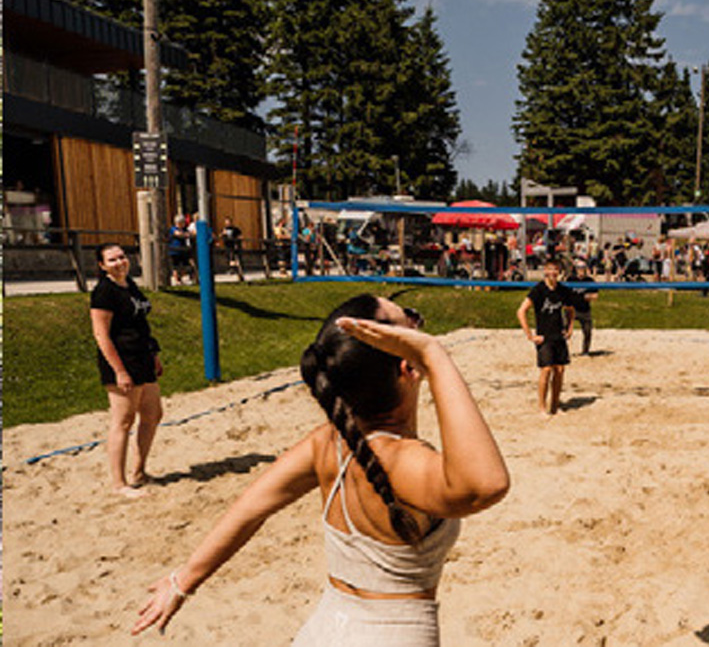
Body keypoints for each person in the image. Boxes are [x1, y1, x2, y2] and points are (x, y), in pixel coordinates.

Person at [132, 295, 510, 643]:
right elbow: (487, 483)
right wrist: (435, 355)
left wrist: (182, 581)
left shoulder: (328, 443)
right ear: (406, 365)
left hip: (324, 628)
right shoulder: (403, 460)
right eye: (410, 322)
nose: (419, 329)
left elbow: (250, 507)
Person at [90, 243, 164, 498]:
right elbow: (101, 335)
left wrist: (153, 354)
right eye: (112, 260)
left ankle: (139, 472)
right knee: (123, 421)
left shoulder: (129, 284)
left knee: (153, 414)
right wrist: (119, 371)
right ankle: (119, 484)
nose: (119, 262)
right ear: (102, 265)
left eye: (122, 257)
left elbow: (139, 324)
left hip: (142, 357)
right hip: (122, 361)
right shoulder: (104, 292)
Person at [517, 260, 575, 415]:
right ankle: (542, 407)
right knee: (546, 370)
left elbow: (570, 310)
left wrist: (570, 329)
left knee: (560, 370)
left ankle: (555, 406)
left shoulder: (563, 290)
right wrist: (530, 335)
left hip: (559, 336)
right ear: (545, 271)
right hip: (544, 337)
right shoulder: (538, 290)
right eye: (550, 269)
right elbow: (521, 311)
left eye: (556, 269)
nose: (553, 273)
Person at [567, 260, 599, 356]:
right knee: (564, 330)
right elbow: (564, 293)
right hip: (572, 309)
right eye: (579, 268)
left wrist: (587, 297)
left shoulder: (590, 281)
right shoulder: (571, 280)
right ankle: (562, 350)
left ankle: (585, 351)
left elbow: (595, 296)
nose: (581, 270)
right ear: (576, 269)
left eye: (582, 268)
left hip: (584, 310)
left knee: (587, 331)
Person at [168, 216, 192, 285]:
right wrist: (186, 235)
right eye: (182, 223)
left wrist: (187, 234)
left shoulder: (184, 229)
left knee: (185, 265)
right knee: (175, 266)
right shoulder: (173, 229)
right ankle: (177, 281)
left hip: (183, 250)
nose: (183, 224)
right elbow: (178, 234)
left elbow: (190, 233)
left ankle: (182, 278)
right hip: (174, 250)